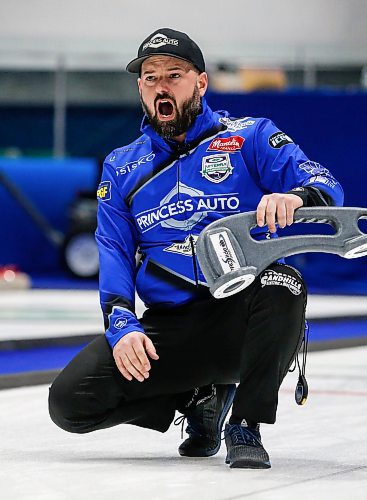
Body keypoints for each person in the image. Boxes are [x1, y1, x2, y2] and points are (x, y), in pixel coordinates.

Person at [49, 28, 344, 469]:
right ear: (140, 88)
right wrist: (122, 324)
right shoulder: (121, 165)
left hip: (243, 317)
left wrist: (298, 196)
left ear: (201, 83)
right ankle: (196, 399)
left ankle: (244, 423)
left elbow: (327, 185)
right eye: (150, 78)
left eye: (174, 75)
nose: (160, 86)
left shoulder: (250, 136)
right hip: (173, 326)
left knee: (285, 280)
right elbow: (112, 248)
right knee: (70, 402)